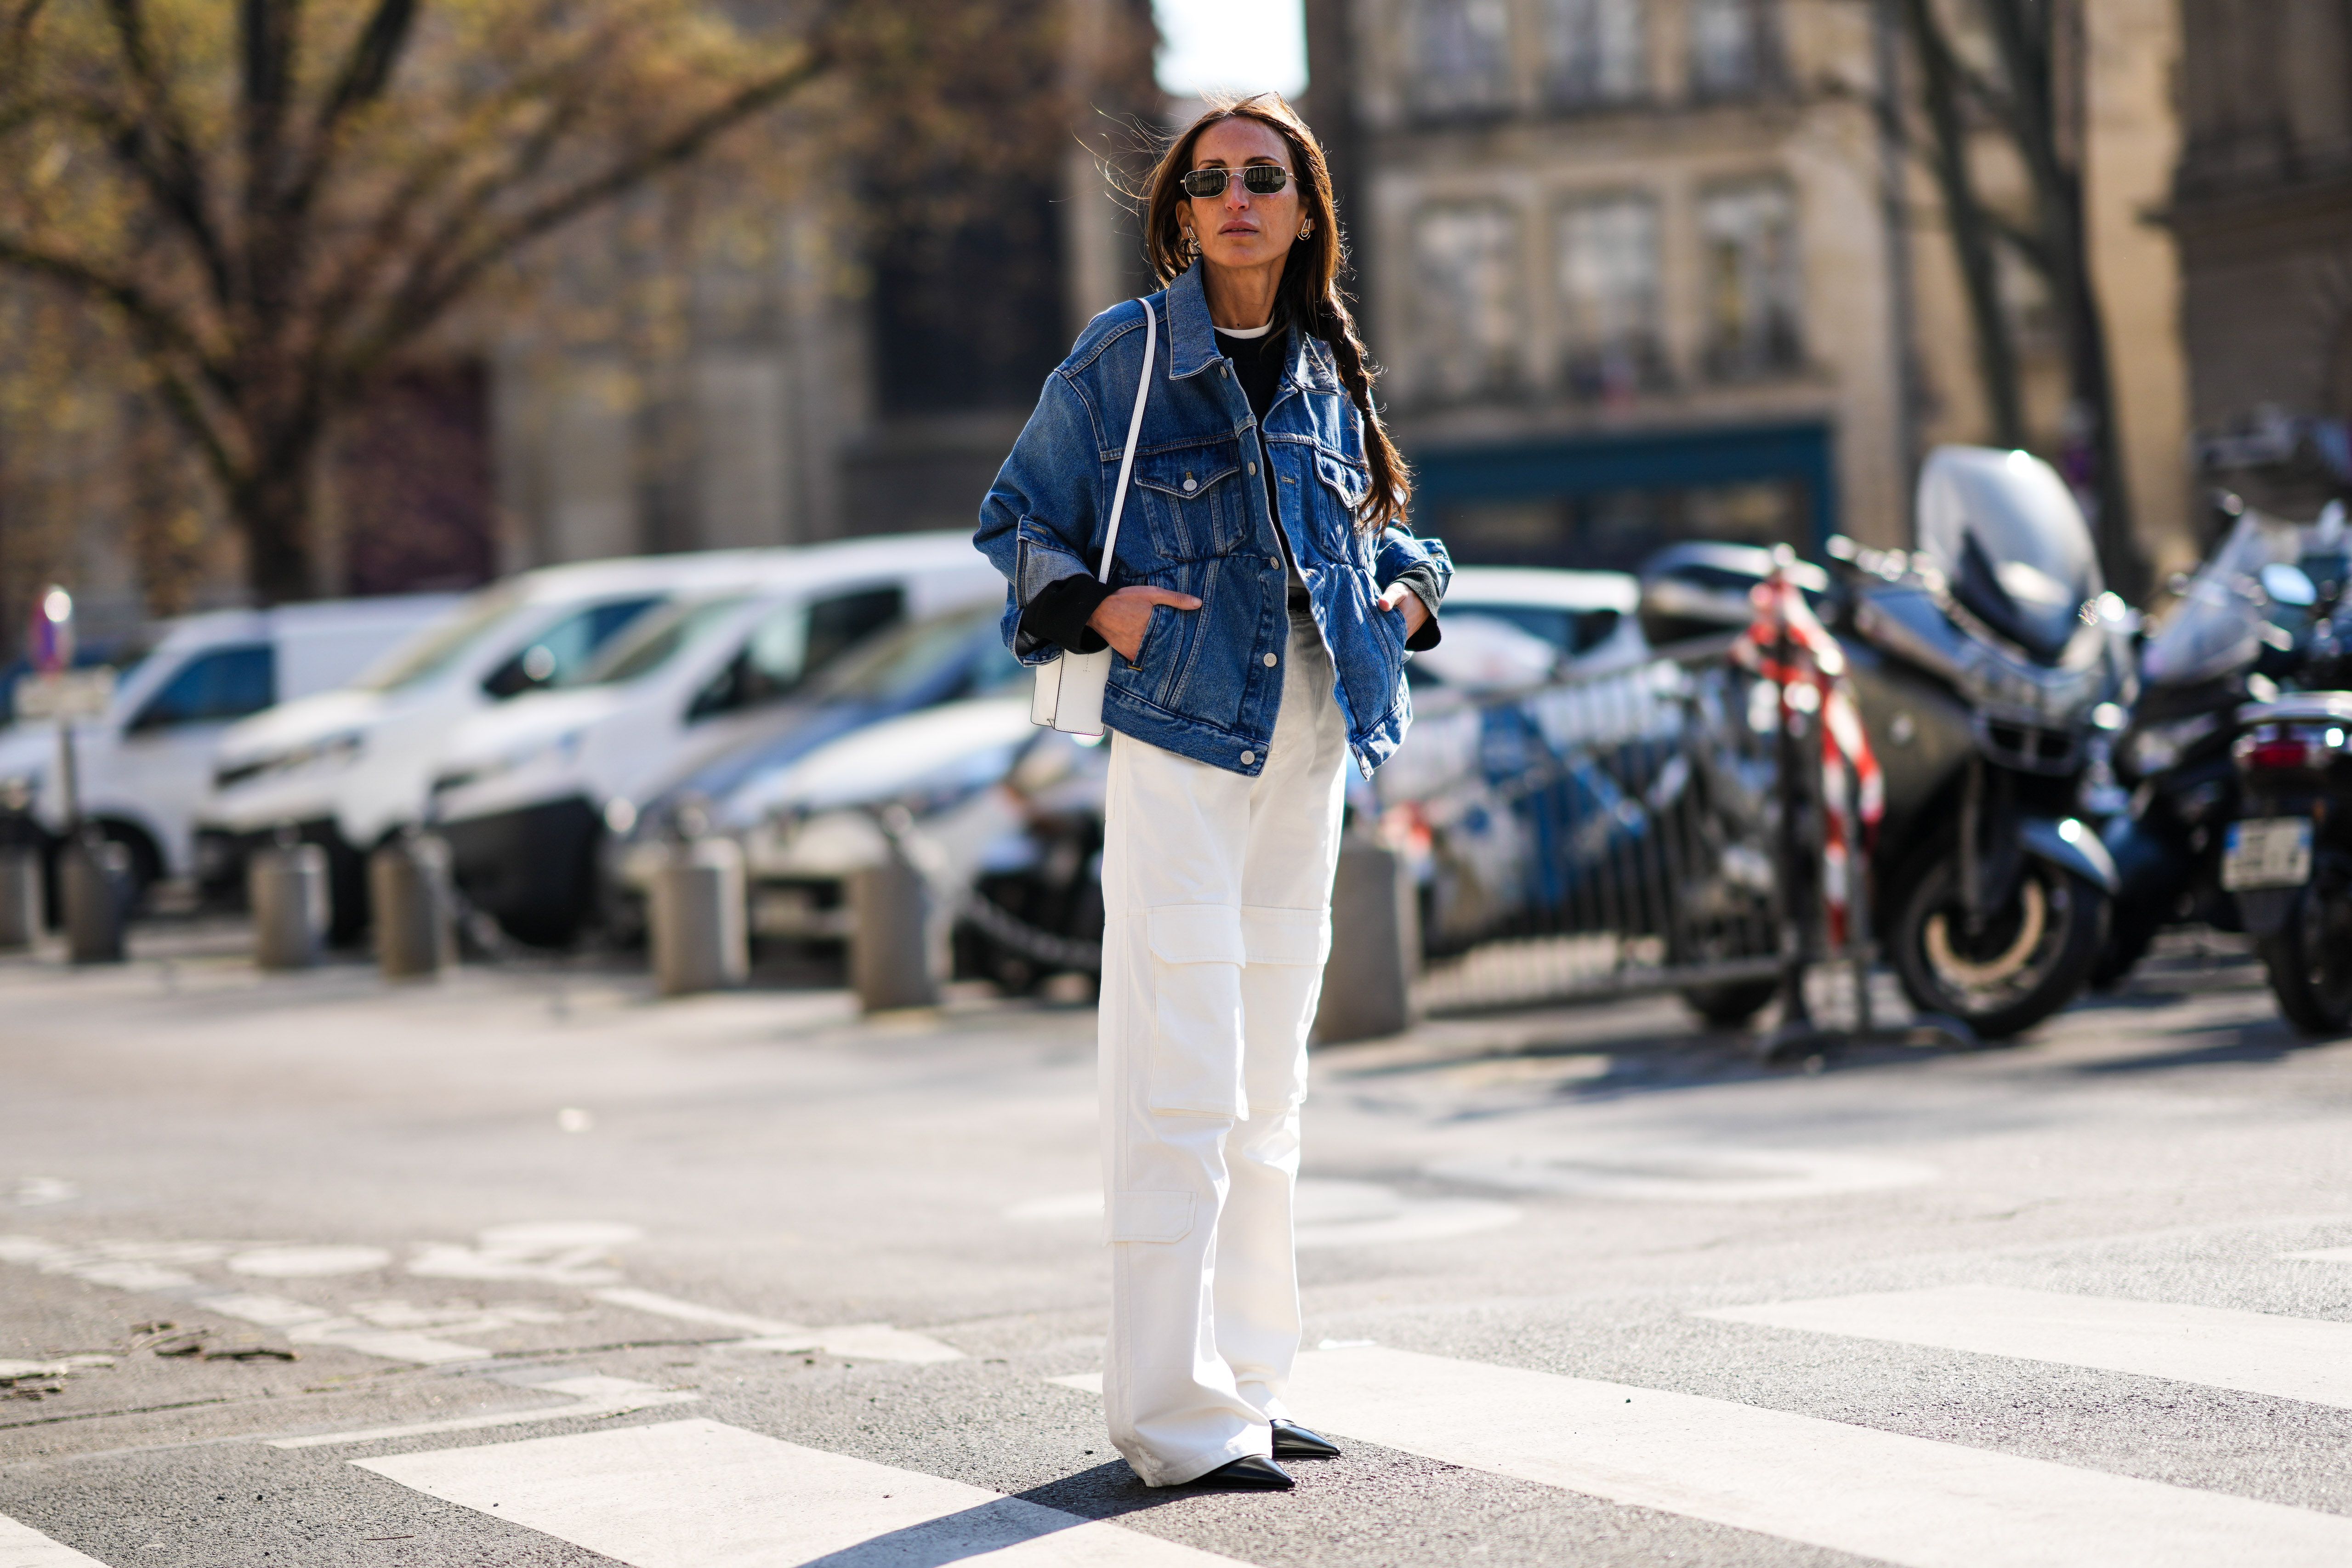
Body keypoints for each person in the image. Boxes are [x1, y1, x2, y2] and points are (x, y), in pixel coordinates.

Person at [973, 93, 1449, 1492]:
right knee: (1176, 1078)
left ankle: (1249, 1378)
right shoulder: (1128, 357)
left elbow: (1385, 524)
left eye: (1268, 176)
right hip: (1184, 738)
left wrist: (1414, 593)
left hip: (1310, 746)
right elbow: (1019, 516)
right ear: (1180, 211)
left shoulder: (1320, 371)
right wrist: (1101, 610)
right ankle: (1173, 1415)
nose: (1239, 196)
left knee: (1264, 1087)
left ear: (1305, 211)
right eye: (1212, 178)